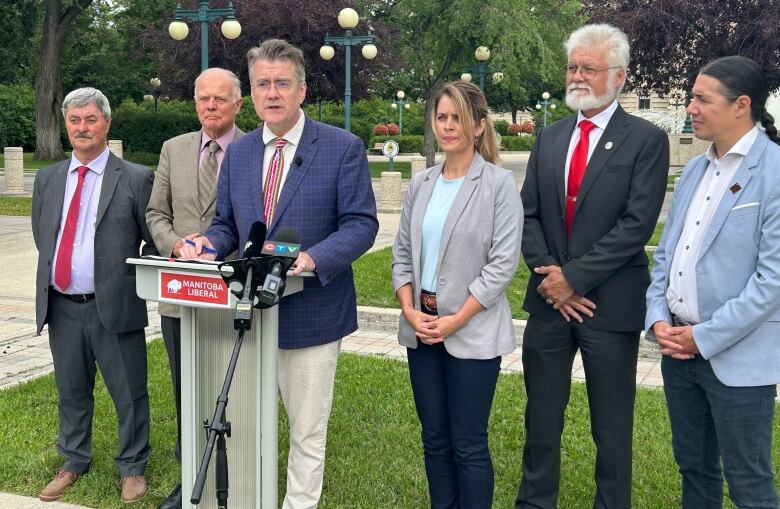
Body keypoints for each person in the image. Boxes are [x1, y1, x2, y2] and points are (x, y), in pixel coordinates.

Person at [180, 39, 378, 509]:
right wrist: (207, 245)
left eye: (282, 83)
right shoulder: (242, 152)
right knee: (248, 421)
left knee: (307, 431)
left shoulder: (340, 147)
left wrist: (311, 259)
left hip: (312, 314)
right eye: (263, 84)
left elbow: (361, 224)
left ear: (302, 89)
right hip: (246, 311)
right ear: (251, 91)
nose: (273, 93)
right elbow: (227, 224)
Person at [516, 24, 669, 509]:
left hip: (609, 306)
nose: (577, 76)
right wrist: (550, 277)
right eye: (572, 66)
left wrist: (574, 278)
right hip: (548, 306)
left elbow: (635, 225)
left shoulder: (646, 139)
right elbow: (528, 214)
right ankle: (535, 502)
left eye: (589, 68)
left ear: (618, 76)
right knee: (540, 420)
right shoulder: (550, 137)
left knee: (611, 426)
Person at [646, 55, 780, 509]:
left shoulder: (775, 171)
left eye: (702, 99)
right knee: (695, 470)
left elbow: (772, 281)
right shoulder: (695, 170)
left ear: (742, 105)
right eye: (690, 98)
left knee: (749, 483)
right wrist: (658, 319)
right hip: (678, 354)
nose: (690, 107)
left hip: (737, 360)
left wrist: (703, 338)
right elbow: (666, 254)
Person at [392, 80, 523, 508]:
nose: (448, 126)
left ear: (480, 126)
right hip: (422, 326)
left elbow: (502, 265)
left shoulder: (499, 185)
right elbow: (402, 254)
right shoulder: (421, 183)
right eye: (442, 117)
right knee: (434, 439)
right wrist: (410, 310)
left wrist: (456, 319)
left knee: (467, 442)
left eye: (458, 119)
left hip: (471, 329)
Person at [31, 87, 155, 503]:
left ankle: (133, 467)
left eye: (90, 120)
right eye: (74, 120)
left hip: (115, 306)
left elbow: (152, 242)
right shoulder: (48, 178)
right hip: (62, 306)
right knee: (71, 390)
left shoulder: (136, 178)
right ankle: (73, 460)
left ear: (106, 122)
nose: (82, 128)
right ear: (66, 125)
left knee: (129, 392)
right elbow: (42, 235)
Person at [145, 67, 244, 509]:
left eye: (219, 99)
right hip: (179, 294)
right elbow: (155, 214)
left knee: (234, 389)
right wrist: (175, 246)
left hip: (231, 293)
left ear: (237, 104)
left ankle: (238, 474)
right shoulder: (173, 149)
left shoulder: (255, 150)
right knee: (188, 390)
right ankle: (190, 478)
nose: (210, 106)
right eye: (203, 98)